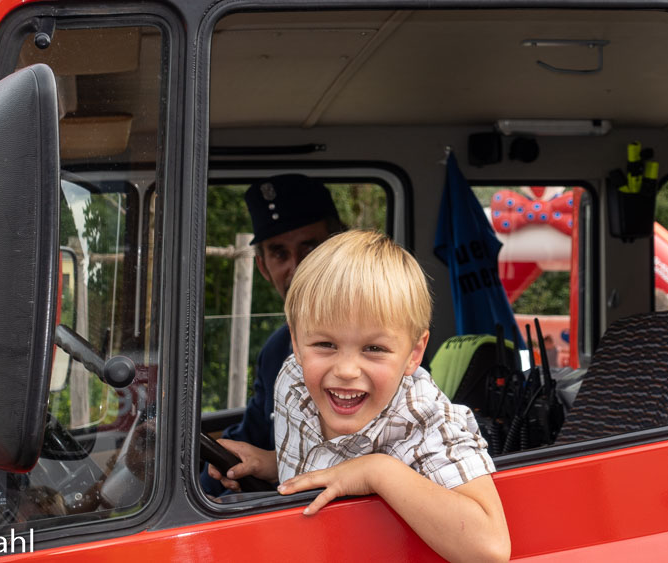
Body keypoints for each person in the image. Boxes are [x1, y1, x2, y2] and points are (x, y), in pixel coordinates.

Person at [218, 230, 511, 563]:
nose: (345, 370)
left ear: (414, 353)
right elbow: (321, 457)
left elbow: (490, 548)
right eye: (325, 344)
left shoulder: (426, 420)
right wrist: (269, 464)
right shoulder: (294, 381)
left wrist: (377, 472)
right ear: (296, 343)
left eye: (374, 348)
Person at [201, 174, 344, 497]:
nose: (298, 267)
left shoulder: (384, 346)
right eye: (280, 254)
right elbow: (254, 435)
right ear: (264, 268)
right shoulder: (278, 348)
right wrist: (200, 489)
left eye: (311, 248)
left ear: (338, 250)